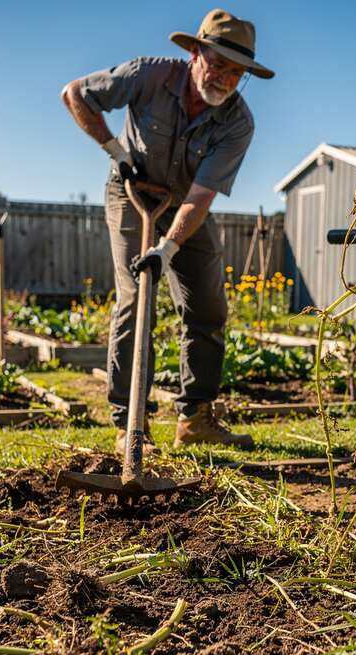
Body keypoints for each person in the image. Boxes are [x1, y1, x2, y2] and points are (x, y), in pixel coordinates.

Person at [61, 9, 274, 452]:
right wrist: (116, 151)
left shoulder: (238, 123)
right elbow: (75, 94)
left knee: (208, 306)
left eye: (237, 72)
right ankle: (130, 426)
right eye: (218, 64)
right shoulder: (148, 75)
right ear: (196, 52)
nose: (226, 79)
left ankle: (195, 417)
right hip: (130, 194)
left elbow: (199, 199)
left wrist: (168, 246)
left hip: (184, 205)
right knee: (136, 298)